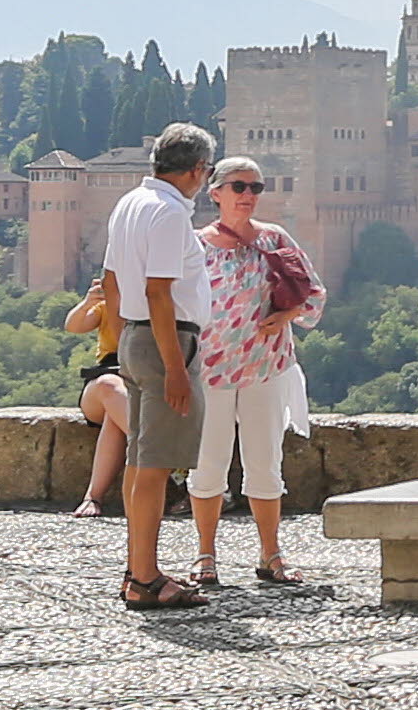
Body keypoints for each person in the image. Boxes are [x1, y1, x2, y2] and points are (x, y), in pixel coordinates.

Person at [186, 155, 320, 589]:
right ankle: (205, 554)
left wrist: (287, 315)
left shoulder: (275, 238)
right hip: (210, 371)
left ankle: (271, 554)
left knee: (266, 464)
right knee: (208, 467)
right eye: (239, 187)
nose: (248, 196)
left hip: (266, 367)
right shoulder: (195, 244)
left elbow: (313, 294)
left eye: (255, 188)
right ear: (216, 193)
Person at [100, 122, 214, 613]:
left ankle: (137, 568)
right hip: (166, 342)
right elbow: (159, 292)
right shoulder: (169, 214)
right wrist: (175, 368)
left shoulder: (129, 203)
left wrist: (125, 338)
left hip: (134, 337)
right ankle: (145, 578)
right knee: (154, 465)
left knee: (140, 460)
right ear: (196, 171)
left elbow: (110, 280)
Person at [62, 274, 134, 516]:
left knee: (115, 416)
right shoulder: (107, 306)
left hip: (139, 386)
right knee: (109, 387)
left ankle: (94, 497)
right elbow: (73, 326)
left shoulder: (162, 303)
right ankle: (161, 456)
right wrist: (88, 302)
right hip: (106, 380)